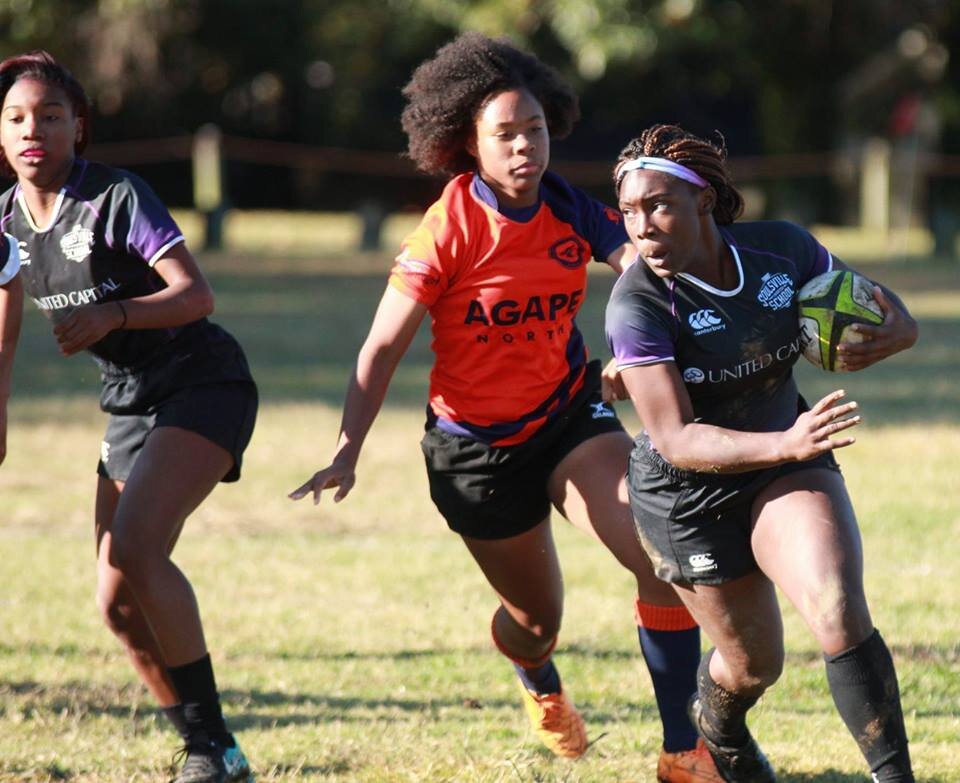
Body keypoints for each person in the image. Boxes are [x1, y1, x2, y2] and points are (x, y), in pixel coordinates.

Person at [291, 34, 722, 781]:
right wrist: (346, 448)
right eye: (505, 135)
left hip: (567, 417)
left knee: (661, 557)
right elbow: (380, 348)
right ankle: (536, 676)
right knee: (535, 622)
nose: (525, 147)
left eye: (536, 130)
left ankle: (684, 751)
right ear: (468, 143)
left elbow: (640, 269)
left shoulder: (567, 207)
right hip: (476, 453)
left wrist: (642, 341)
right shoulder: (448, 228)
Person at [604, 123, 918, 782]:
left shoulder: (783, 251)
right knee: (754, 664)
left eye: (657, 205)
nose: (642, 227)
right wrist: (788, 440)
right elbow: (676, 438)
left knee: (837, 610)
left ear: (704, 202)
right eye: (629, 212)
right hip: (688, 494)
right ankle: (717, 723)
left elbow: (899, 319)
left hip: (785, 461)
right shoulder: (636, 303)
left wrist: (882, 339)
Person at [0, 51, 257, 783]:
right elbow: (5, 319)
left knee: (139, 549)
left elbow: (195, 294)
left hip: (203, 380)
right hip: (127, 403)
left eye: (51, 116)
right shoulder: (5, 221)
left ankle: (207, 753)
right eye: (16, 117)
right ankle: (219, 746)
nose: (33, 130)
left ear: (78, 128)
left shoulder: (115, 196)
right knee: (115, 604)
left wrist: (112, 311)